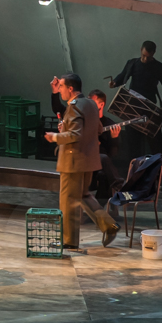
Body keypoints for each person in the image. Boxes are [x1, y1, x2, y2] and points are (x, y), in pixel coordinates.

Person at [46, 73, 119, 249]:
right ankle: (109, 225)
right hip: (88, 161)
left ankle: (69, 241)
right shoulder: (91, 104)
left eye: (62, 87)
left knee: (68, 202)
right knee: (83, 196)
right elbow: (99, 129)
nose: (60, 90)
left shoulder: (74, 107)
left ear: (70, 89)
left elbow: (75, 135)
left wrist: (55, 136)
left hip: (73, 162)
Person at [108, 41, 162, 190]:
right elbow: (122, 76)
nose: (145, 59)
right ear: (141, 50)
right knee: (133, 145)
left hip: (149, 110)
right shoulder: (132, 63)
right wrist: (114, 83)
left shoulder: (159, 67)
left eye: (149, 56)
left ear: (154, 53)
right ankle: (134, 178)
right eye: (144, 56)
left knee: (157, 145)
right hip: (132, 109)